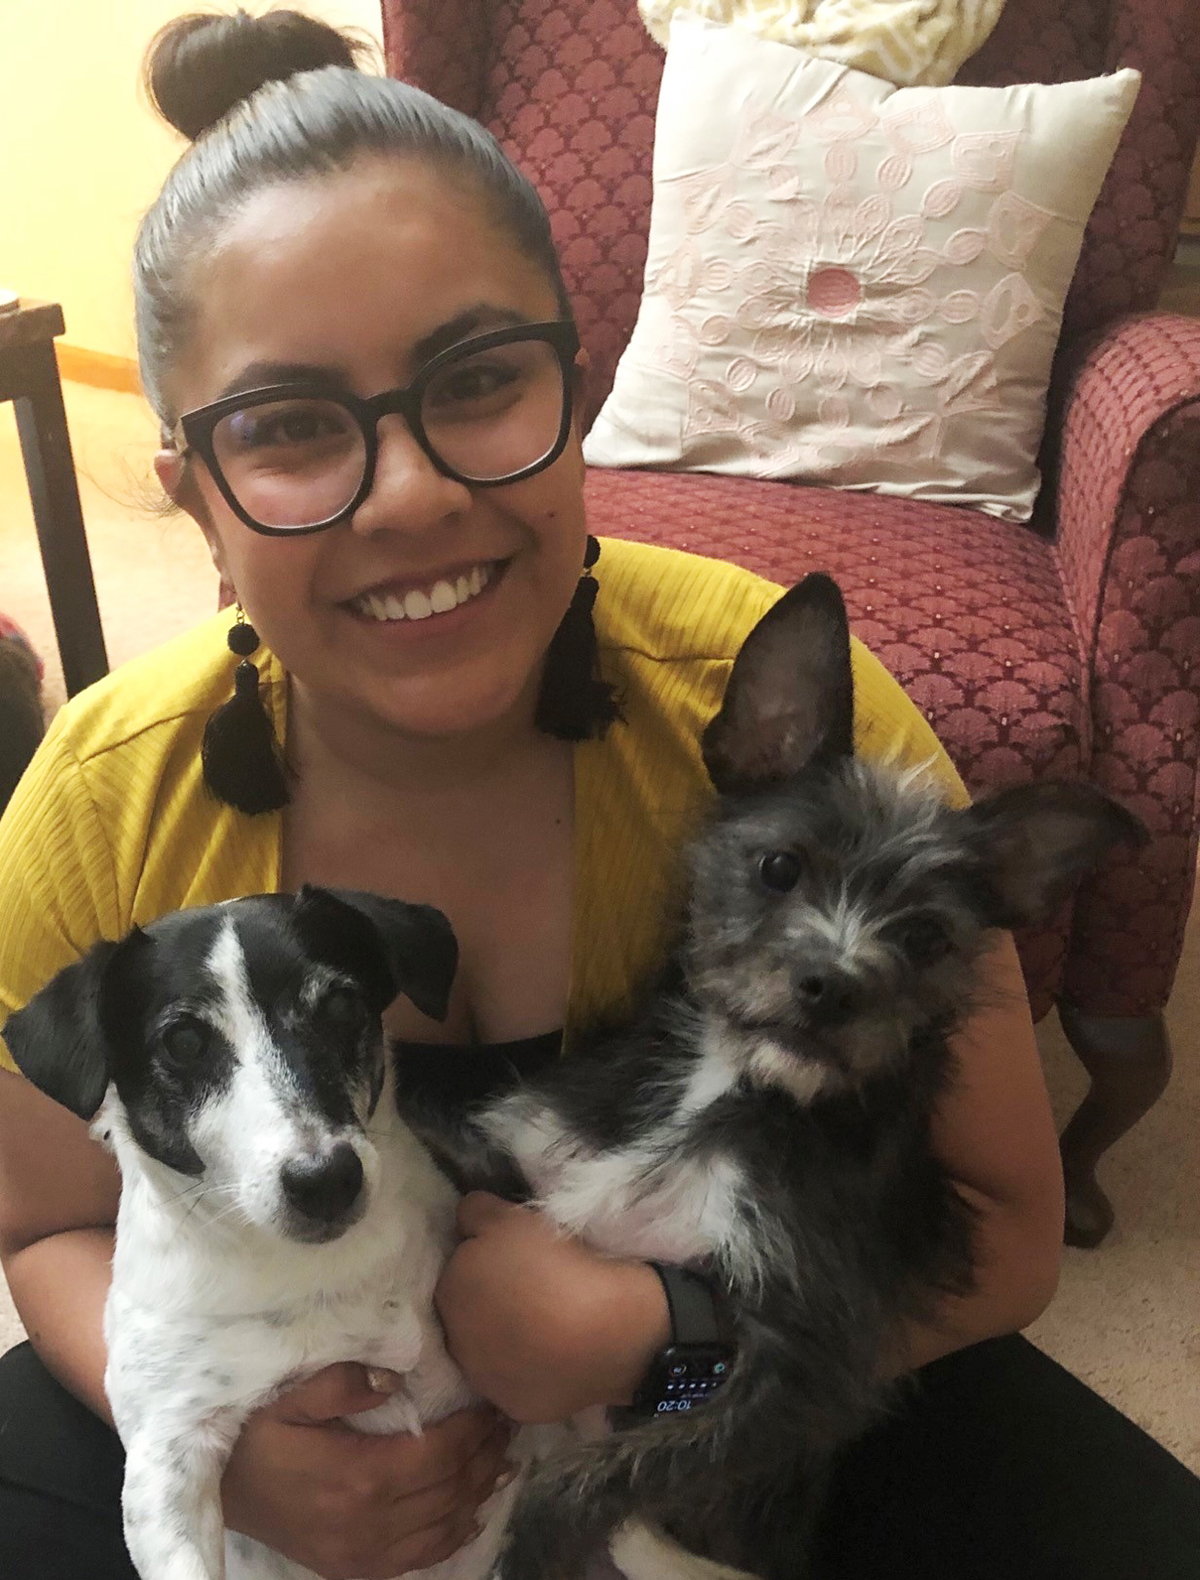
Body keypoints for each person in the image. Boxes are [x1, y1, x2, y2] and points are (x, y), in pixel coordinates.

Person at [0, 12, 1196, 1580]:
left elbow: (1005, 1243)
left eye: (479, 381)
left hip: (728, 1388)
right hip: (266, 1369)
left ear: (585, 386)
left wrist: (662, 1344)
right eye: (288, 427)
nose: (415, 494)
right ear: (196, 500)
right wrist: (223, 1467)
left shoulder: (801, 751)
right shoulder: (102, 806)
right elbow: (43, 1232)